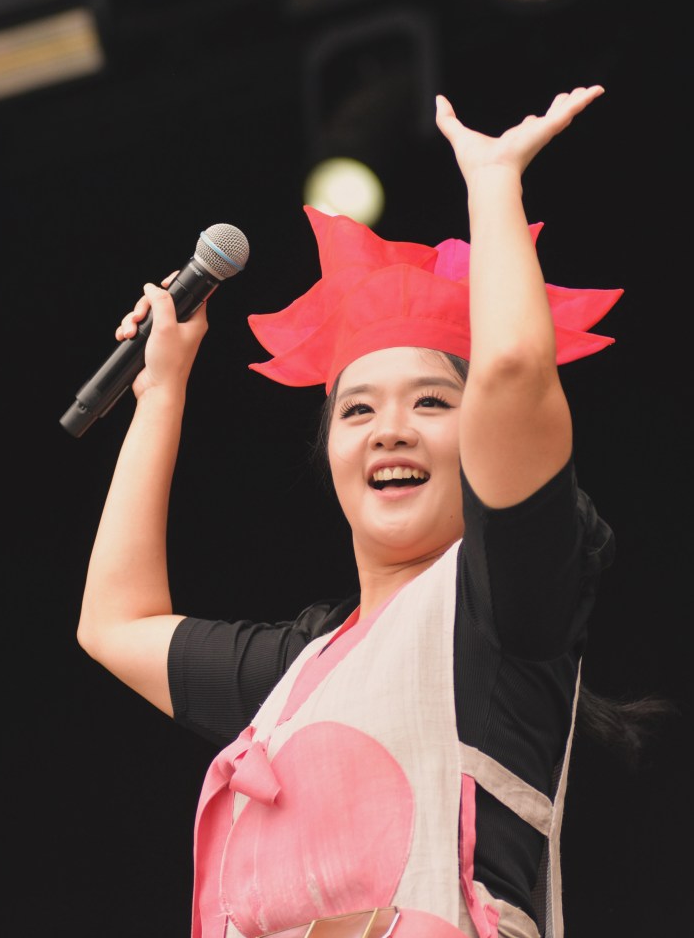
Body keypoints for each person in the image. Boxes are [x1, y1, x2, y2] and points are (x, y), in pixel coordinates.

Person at [77, 86, 626, 938]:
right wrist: (162, 391)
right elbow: (115, 624)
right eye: (358, 409)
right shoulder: (304, 667)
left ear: (480, 434)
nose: (388, 429)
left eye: (431, 402)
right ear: (328, 451)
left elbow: (514, 370)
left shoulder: (500, 615)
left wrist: (492, 183)